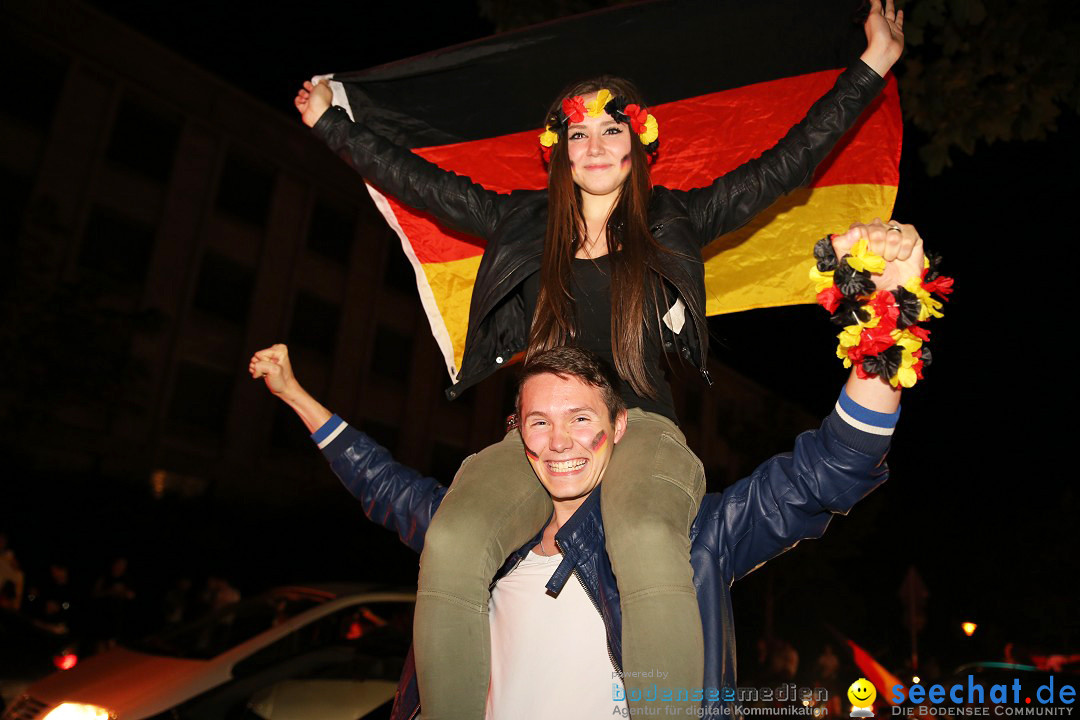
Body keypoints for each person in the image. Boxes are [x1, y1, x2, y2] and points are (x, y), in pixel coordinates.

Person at [294, 5, 905, 715]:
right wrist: (330, 124)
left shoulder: (676, 220)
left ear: (638, 145)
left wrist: (871, 69)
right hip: (545, 432)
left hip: (638, 424)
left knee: (647, 535)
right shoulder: (519, 222)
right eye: (578, 133)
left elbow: (785, 164)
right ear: (558, 150)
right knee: (454, 538)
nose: (594, 145)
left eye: (612, 130)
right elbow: (416, 179)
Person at [249, 219, 923, 718]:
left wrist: (890, 316)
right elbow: (379, 484)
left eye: (580, 418)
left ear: (619, 428)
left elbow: (832, 469)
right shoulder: (477, 536)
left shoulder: (692, 542)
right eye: (537, 420)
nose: (559, 441)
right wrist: (295, 396)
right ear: (516, 433)